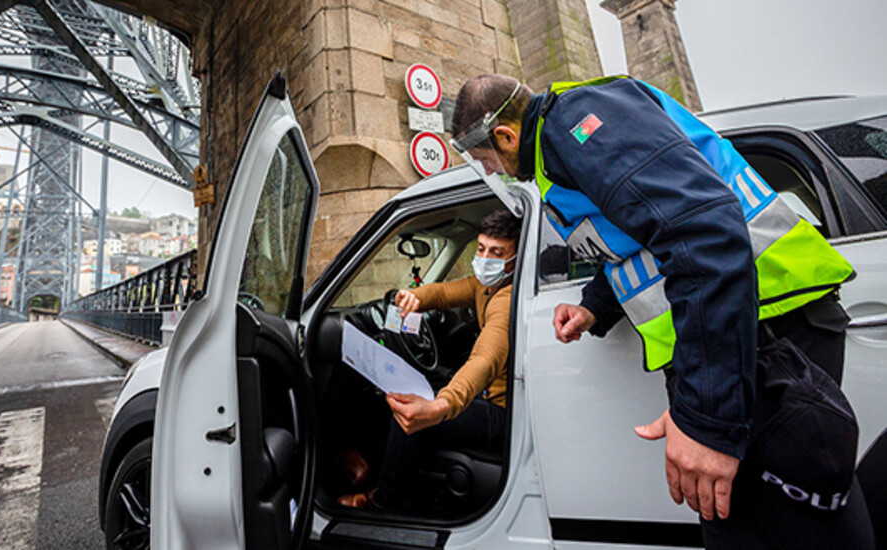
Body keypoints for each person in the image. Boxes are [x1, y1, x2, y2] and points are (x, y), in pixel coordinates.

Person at [449, 74, 874, 548]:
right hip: (745, 330)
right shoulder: (566, 141)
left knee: (796, 529)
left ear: (506, 137)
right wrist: (595, 306)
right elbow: (645, 236)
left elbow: (703, 231)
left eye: (489, 161)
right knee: (740, 524)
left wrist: (707, 423)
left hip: (770, 330)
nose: (498, 173)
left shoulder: (576, 125)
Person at [339, 208, 520, 509]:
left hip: (500, 414)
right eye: (482, 249)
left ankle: (384, 502)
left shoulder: (506, 300)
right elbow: (445, 293)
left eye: (497, 253)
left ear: (513, 262)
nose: (485, 259)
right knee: (404, 393)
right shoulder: (485, 285)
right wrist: (416, 298)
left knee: (411, 414)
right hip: (488, 398)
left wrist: (440, 406)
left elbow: (484, 360)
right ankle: (368, 462)